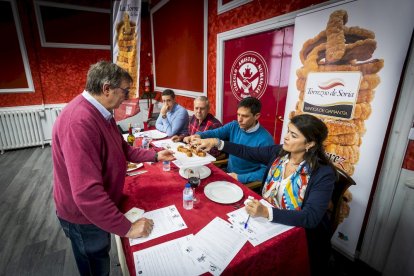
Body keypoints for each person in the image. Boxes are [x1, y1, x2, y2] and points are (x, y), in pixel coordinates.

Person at [52, 61, 175, 275]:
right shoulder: (79, 122)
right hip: (83, 217)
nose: (126, 97)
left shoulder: (103, 112)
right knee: (95, 267)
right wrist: (128, 228)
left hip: (95, 210)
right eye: (124, 91)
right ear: (106, 89)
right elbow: (86, 194)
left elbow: (123, 149)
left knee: (101, 256)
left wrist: (154, 155)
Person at [194, 114, 336, 275]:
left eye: (293, 135)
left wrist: (267, 212)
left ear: (310, 143)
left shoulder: (323, 173)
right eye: (288, 131)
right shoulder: (280, 153)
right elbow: (246, 151)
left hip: (299, 235)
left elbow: (310, 217)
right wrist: (216, 142)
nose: (286, 137)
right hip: (265, 223)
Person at [185, 97, 274, 184]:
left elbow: (265, 172)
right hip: (227, 173)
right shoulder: (234, 126)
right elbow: (215, 133)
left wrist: (240, 178)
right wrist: (198, 135)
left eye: (245, 116)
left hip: (245, 182)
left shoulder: (266, 139)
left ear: (256, 116)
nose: (239, 119)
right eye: (238, 114)